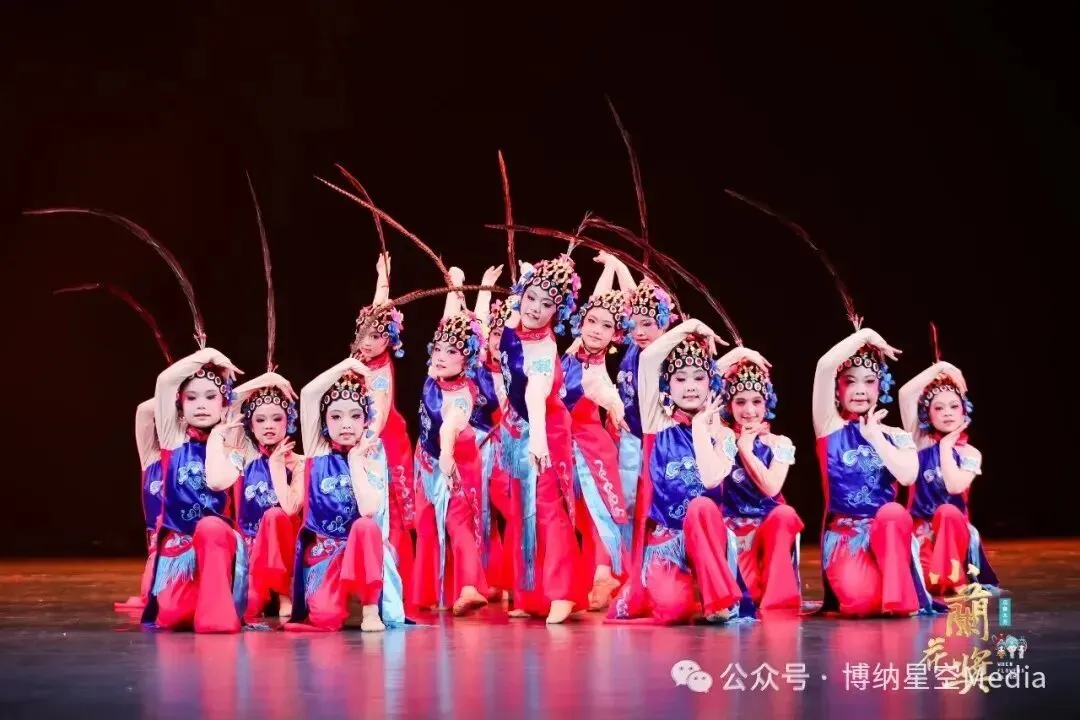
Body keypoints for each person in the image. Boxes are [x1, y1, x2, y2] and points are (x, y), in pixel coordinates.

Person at [607, 319, 747, 624]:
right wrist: (691, 326)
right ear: (667, 386)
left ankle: (716, 600)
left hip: (708, 536)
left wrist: (699, 429)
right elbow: (648, 358)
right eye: (680, 379)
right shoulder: (656, 423)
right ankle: (693, 592)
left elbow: (710, 478)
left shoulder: (723, 434)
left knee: (701, 506)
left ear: (711, 383)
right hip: (667, 540)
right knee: (673, 612)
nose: (691, 386)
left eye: (699, 378)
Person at [813, 328, 938, 616]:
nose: (860, 390)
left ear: (880, 387)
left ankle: (899, 601)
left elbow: (908, 476)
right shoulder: (829, 426)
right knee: (862, 604)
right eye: (850, 381)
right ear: (837, 389)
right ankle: (891, 596)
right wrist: (866, 335)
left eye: (869, 381)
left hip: (887, 533)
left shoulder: (896, 435)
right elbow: (825, 366)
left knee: (893, 513)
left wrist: (876, 437)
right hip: (845, 536)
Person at [283, 357, 408, 632]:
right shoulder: (317, 450)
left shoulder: (372, 458)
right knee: (326, 620)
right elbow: (309, 394)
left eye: (355, 416)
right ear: (324, 422)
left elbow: (368, 510)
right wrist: (346, 365)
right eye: (336, 416)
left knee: (365, 526)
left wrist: (355, 461)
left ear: (366, 421)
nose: (346, 424)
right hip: (324, 555)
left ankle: (370, 609)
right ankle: (342, 605)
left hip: (360, 556)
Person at [499, 253, 589, 623]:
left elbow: (536, 392)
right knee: (523, 509)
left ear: (559, 311)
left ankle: (563, 593)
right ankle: (530, 594)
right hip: (517, 428)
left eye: (547, 303)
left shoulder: (544, 347)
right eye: (531, 297)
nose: (536, 308)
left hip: (545, 429)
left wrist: (538, 439)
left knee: (549, 509)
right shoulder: (515, 325)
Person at [141, 348, 249, 633]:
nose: (201, 405)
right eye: (192, 398)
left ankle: (217, 618)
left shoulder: (234, 448)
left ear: (224, 405)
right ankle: (201, 605)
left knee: (210, 526)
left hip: (217, 544)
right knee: (172, 617)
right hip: (179, 548)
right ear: (180, 404)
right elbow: (165, 381)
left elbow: (215, 482)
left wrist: (215, 439)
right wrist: (208, 355)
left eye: (211, 397)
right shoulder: (172, 439)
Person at [413, 268, 495, 614]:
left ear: (468, 359)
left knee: (457, 523)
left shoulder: (462, 397)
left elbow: (449, 427)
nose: (441, 355)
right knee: (426, 523)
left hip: (455, 463)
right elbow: (448, 320)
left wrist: (446, 456)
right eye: (439, 349)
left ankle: (470, 587)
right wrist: (455, 284)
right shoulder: (435, 372)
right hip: (425, 459)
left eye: (451, 352)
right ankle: (431, 592)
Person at [561, 252, 632, 610]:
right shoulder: (575, 349)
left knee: (599, 512)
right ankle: (589, 576)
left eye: (606, 327)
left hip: (591, 449)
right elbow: (599, 302)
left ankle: (605, 574)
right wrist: (611, 268)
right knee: (580, 516)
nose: (595, 329)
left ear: (615, 335)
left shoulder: (598, 376)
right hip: (566, 447)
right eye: (591, 322)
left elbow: (614, 402)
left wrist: (618, 413)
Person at [205, 372, 303, 621]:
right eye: (260, 419)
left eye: (277, 418)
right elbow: (231, 402)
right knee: (248, 609)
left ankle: (284, 592)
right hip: (253, 558)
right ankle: (260, 589)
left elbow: (291, 508)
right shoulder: (245, 454)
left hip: (287, 558)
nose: (269, 425)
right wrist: (269, 379)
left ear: (288, 421)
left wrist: (278, 466)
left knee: (275, 515)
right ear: (250, 424)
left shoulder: (300, 463)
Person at [715, 347, 803, 611]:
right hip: (733, 532)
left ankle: (780, 596)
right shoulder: (719, 437)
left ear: (767, 404)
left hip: (768, 528)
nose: (749, 410)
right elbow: (707, 381)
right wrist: (738, 354)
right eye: (740, 402)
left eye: (756, 401)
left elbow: (771, 487)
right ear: (728, 405)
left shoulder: (780, 443)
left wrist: (746, 449)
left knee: (785, 514)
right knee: (747, 595)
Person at [899, 361, 998, 594]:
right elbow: (905, 393)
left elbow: (954, 486)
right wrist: (941, 367)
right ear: (928, 414)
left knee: (947, 512)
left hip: (954, 533)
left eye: (954, 406)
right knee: (929, 584)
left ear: (964, 411)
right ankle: (943, 579)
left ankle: (952, 577)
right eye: (939, 408)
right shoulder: (919, 442)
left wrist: (946, 446)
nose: (947, 413)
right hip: (922, 532)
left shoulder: (971, 454)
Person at [350, 253, 415, 608]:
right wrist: (382, 278)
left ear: (389, 341)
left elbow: (378, 416)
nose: (369, 340)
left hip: (382, 443)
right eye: (365, 334)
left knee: (389, 511)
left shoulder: (379, 372)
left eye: (377, 336)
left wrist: (363, 445)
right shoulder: (362, 359)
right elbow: (378, 310)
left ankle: (394, 580)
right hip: (367, 439)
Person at [114, 399, 164, 611]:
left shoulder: (202, 454)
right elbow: (144, 410)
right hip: (160, 553)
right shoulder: (151, 457)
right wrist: (178, 391)